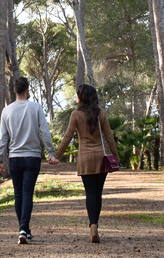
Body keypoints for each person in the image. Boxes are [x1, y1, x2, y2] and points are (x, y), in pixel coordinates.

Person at [0, 76, 59, 245]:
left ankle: (23, 230)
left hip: (15, 158)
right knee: (27, 193)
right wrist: (51, 152)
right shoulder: (36, 107)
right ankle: (24, 229)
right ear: (27, 91)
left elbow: (2, 137)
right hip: (32, 158)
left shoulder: (6, 111)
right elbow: (44, 131)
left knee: (18, 194)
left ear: (14, 91)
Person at [53, 84, 119, 244]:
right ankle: (95, 225)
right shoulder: (101, 113)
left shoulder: (76, 114)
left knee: (90, 193)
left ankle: (92, 225)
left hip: (85, 159)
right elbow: (109, 136)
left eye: (77, 95)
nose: (76, 97)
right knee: (98, 194)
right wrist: (115, 156)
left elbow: (67, 136)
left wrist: (57, 156)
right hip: (101, 158)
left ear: (82, 97)